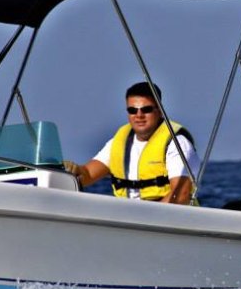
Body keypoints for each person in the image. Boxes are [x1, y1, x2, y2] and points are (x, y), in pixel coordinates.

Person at [64, 82, 199, 205]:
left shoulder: (177, 143)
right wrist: (73, 170)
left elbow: (181, 195)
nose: (139, 115)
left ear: (159, 110)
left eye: (146, 109)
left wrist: (149, 221)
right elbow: (87, 174)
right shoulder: (118, 142)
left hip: (169, 222)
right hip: (129, 219)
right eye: (132, 110)